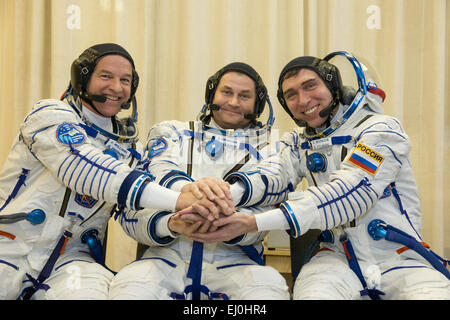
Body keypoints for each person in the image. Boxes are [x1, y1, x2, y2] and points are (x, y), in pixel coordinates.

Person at [180, 52, 450, 300]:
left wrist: (253, 222)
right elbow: (270, 176)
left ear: (334, 87)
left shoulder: (381, 131)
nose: (303, 100)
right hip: (336, 260)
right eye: (291, 95)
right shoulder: (296, 143)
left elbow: (350, 193)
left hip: (399, 259)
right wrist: (223, 197)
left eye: (310, 86)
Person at [0, 43, 226, 300]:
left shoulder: (130, 150)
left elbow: (133, 215)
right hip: (10, 247)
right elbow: (82, 167)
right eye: (106, 76)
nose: (117, 88)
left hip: (72, 261)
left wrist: (171, 223)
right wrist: (178, 200)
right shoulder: (49, 115)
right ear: (82, 78)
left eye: (125, 80)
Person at [108, 62, 290, 300]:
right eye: (226, 92)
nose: (234, 102)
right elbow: (155, 179)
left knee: (269, 292)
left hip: (235, 260)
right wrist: (181, 205)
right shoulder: (173, 132)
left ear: (257, 104)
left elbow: (264, 208)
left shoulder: (272, 147)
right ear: (211, 93)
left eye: (244, 96)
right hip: (166, 257)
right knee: (129, 292)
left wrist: (229, 221)